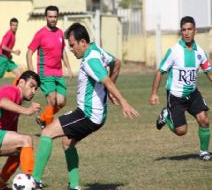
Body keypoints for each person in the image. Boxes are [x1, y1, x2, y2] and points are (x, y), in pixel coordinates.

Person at [32, 23, 139, 190]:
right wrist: (108, 92)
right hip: (94, 115)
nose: (71, 50)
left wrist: (123, 101)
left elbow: (106, 80)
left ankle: (34, 181)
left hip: (88, 115)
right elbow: (116, 63)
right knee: (67, 142)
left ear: (83, 42)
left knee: (46, 133)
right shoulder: (98, 51)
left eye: (73, 45)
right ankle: (74, 186)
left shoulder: (90, 60)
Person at [149, 16, 212, 161]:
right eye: (184, 30)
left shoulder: (200, 52)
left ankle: (204, 152)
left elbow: (208, 71)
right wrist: (154, 94)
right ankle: (166, 114)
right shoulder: (174, 51)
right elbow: (160, 71)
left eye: (190, 29)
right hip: (176, 96)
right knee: (181, 131)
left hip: (193, 93)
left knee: (204, 120)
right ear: (181, 32)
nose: (187, 33)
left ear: (195, 31)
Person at [26, 5, 73, 129]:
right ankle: (48, 129)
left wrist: (68, 67)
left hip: (58, 72)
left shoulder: (60, 32)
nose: (53, 19)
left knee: (62, 102)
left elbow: (62, 50)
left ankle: (42, 119)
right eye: (50, 17)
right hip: (45, 72)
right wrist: (32, 73)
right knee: (52, 100)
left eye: (55, 17)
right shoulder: (40, 34)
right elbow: (29, 52)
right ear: (45, 17)